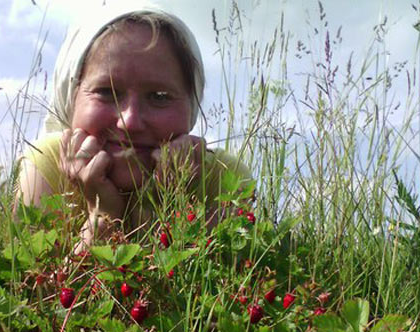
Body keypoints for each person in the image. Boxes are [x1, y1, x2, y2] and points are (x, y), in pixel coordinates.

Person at [14, 2, 250, 246]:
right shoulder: (46, 164)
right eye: (106, 92)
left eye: (160, 97)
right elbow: (31, 283)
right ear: (71, 98)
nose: (130, 122)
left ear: (192, 106)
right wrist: (103, 219)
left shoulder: (223, 178)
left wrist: (160, 206)